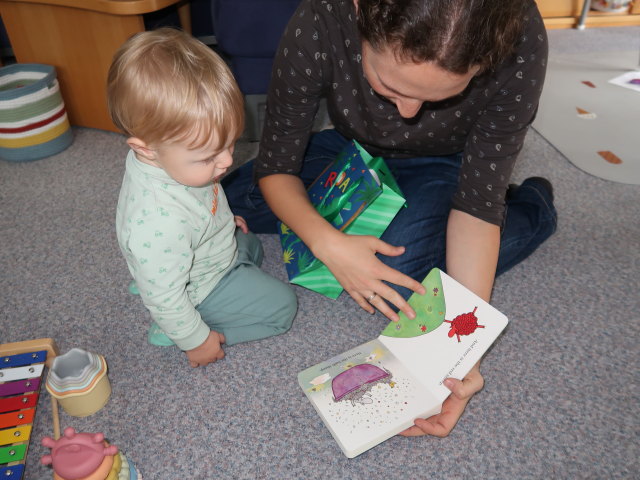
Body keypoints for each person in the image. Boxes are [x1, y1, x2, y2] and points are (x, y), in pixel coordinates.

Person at [222, 0, 557, 435]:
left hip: (445, 162)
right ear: (360, 11)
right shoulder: (322, 18)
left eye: (440, 96)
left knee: (399, 276)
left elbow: (477, 208)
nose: (408, 114)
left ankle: (532, 210)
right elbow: (277, 164)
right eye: (388, 85)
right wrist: (330, 246)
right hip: (352, 152)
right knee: (227, 200)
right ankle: (417, 218)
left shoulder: (519, 38)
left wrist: (461, 351)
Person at [107, 28, 297, 368]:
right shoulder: (157, 222)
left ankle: (163, 275)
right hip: (196, 289)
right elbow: (165, 296)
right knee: (283, 307)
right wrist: (196, 340)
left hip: (204, 250)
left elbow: (195, 201)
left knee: (250, 245)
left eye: (230, 144)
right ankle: (179, 329)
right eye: (208, 157)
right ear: (146, 149)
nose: (226, 161)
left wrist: (219, 222)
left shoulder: (170, 158)